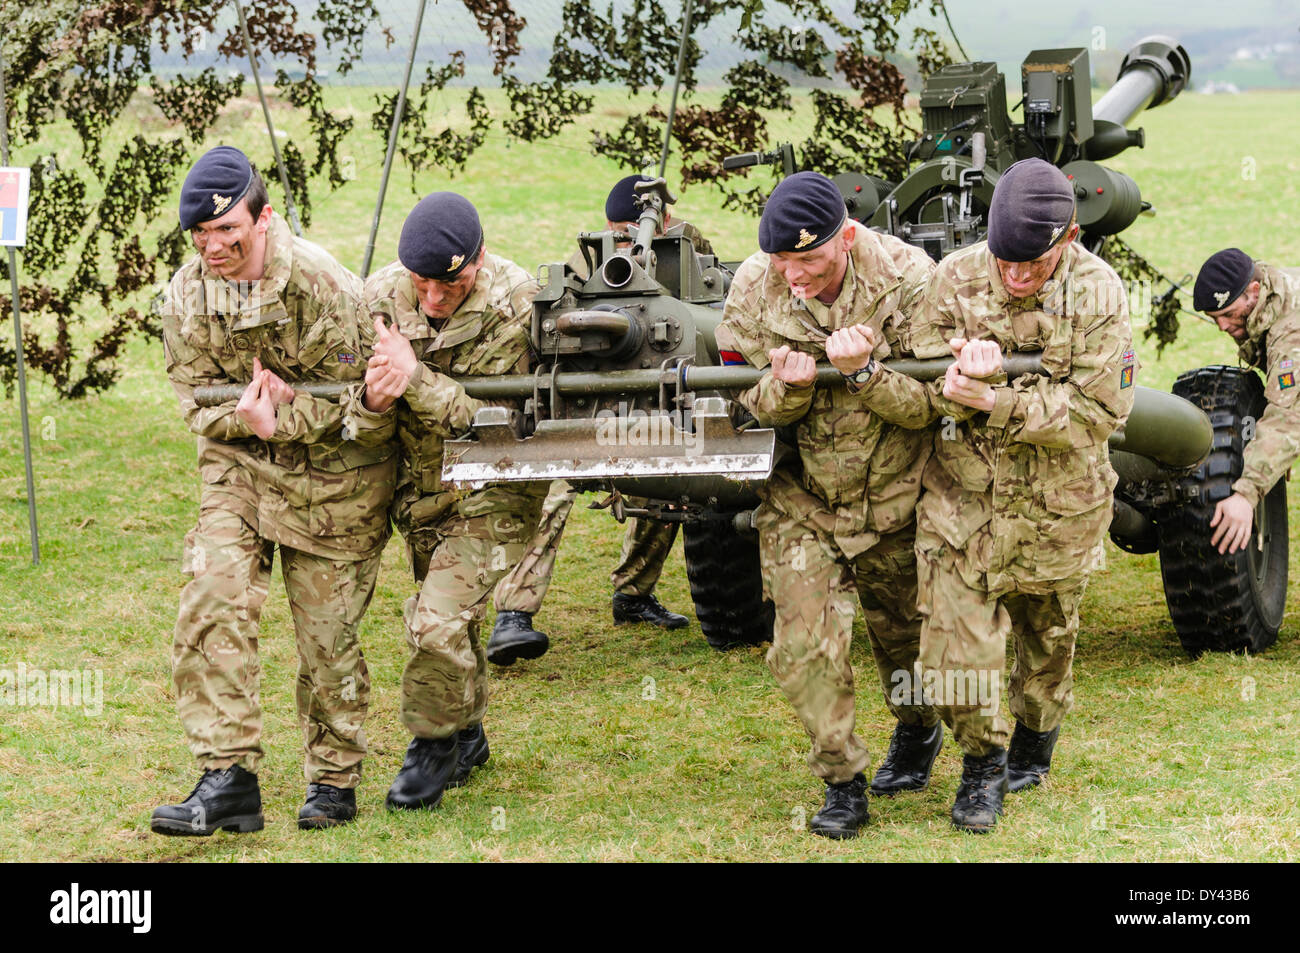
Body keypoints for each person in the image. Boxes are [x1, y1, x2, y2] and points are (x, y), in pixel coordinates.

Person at [850, 157, 1135, 832]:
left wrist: (996, 399)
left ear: (1066, 239)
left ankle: (1036, 736)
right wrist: (929, 383)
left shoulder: (1099, 292)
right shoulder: (955, 276)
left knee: (1047, 644)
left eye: (1031, 265)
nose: (1015, 277)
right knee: (953, 645)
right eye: (1006, 261)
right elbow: (920, 387)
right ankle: (983, 761)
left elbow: (1100, 413)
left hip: (1058, 506)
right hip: (964, 500)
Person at [151, 146, 396, 835]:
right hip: (242, 467)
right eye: (200, 234)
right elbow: (196, 399)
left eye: (227, 229)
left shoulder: (326, 288)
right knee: (212, 595)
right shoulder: (184, 295)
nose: (214, 246)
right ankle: (227, 775)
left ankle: (335, 774)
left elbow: (365, 407)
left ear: (261, 219)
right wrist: (250, 417)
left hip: (338, 476)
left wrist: (284, 417)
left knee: (328, 640)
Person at [714, 171, 941, 839]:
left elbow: (934, 404)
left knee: (904, 641)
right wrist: (784, 393)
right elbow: (735, 405)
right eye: (783, 260)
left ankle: (918, 728)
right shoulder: (755, 285)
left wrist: (865, 374)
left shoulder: (910, 279)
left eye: (808, 259)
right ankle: (842, 780)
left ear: (846, 239)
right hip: (801, 498)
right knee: (804, 647)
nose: (794, 276)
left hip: (893, 492)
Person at [355, 191, 548, 808]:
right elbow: (355, 412)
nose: (435, 298)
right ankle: (467, 734)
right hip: (420, 486)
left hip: (497, 482)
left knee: (436, 618)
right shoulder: (377, 296)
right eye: (423, 284)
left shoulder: (521, 304)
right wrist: (373, 403)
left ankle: (431, 743)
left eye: (452, 283)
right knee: (453, 624)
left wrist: (414, 378)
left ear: (480, 259)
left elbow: (503, 424)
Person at [488, 174, 704, 666]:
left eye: (633, 230)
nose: (625, 241)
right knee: (550, 487)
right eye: (616, 230)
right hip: (583, 401)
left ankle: (633, 595)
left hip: (657, 395)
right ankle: (513, 615)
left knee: (669, 485)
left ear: (664, 221)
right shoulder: (584, 266)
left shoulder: (688, 252)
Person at [1193, 248, 1300, 554]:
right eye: (1215, 319)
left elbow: (1288, 418)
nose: (1223, 327)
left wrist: (1246, 494)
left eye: (1228, 314)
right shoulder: (1272, 292)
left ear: (1254, 292)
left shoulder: (1292, 330)